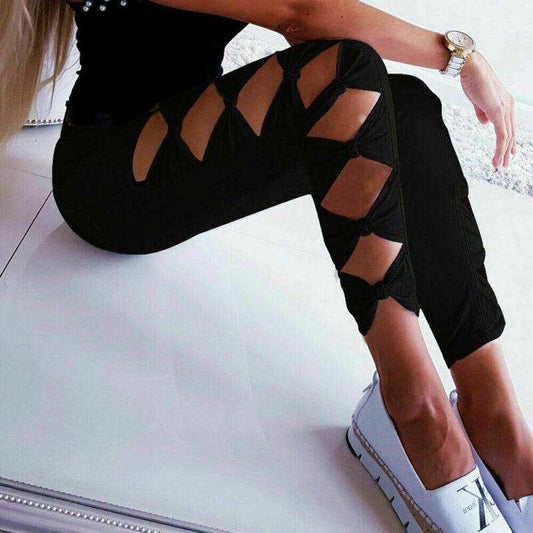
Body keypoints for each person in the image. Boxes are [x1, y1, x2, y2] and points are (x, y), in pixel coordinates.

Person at [0, 0, 530, 530]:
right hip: (111, 182)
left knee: (404, 106)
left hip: (193, 144)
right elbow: (302, 14)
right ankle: (414, 408)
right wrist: (462, 59)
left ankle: (494, 415)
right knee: (349, 68)